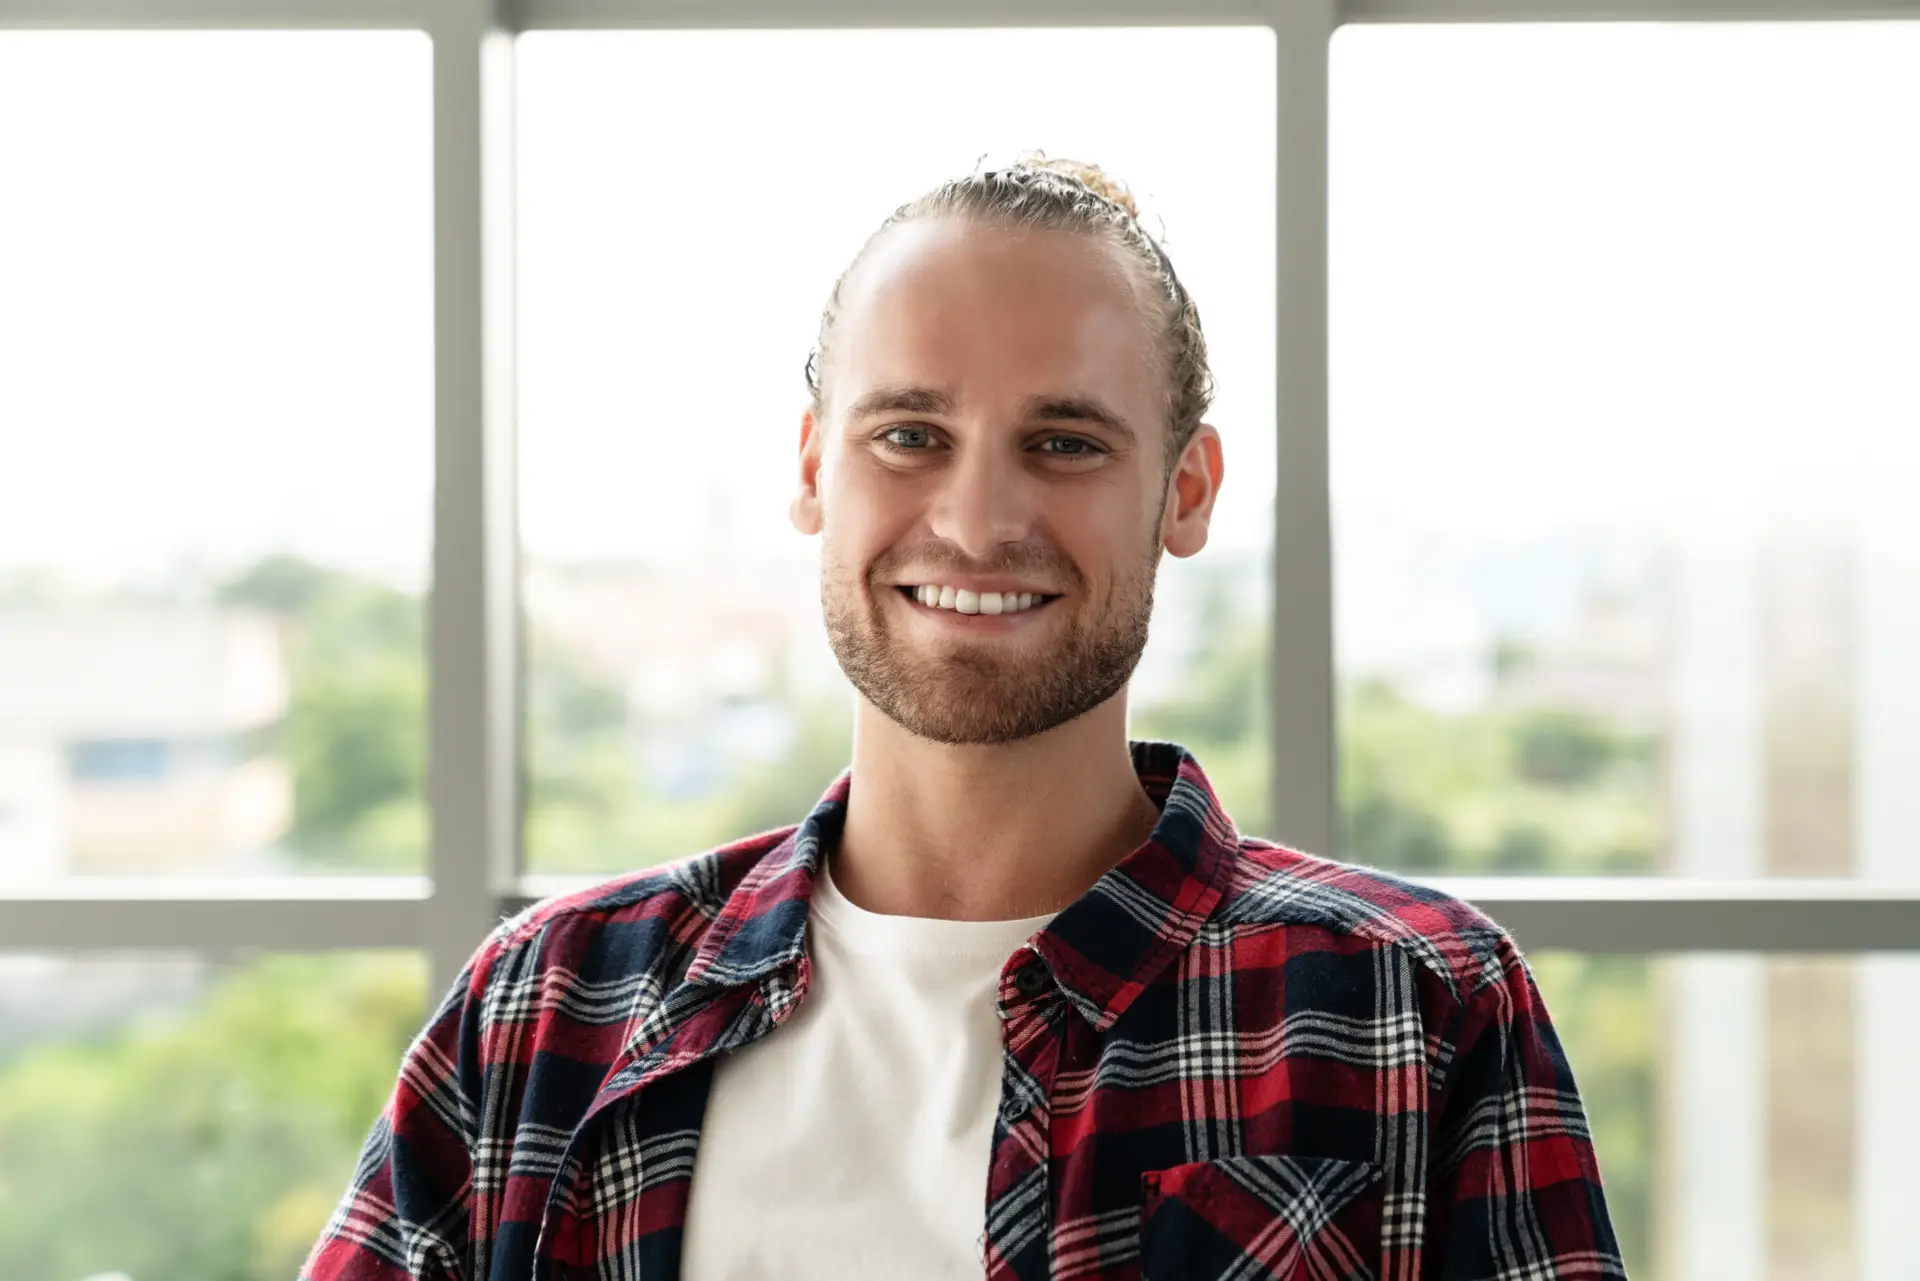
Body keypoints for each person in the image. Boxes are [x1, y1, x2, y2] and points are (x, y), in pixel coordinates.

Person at [304, 156, 1625, 1281]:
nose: (979, 522)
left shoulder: (1419, 1010)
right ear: (813, 467)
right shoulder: (542, 1016)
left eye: (1065, 444)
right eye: (908, 436)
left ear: (1186, 490)